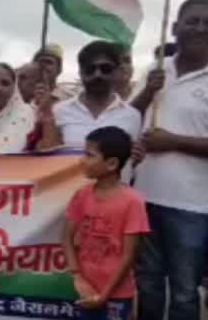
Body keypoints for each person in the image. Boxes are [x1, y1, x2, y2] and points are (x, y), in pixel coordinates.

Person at [130, 0, 208, 320]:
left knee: (183, 290)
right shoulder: (156, 69)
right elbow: (129, 117)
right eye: (192, 21)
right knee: (148, 283)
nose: (200, 28)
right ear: (175, 27)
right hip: (145, 198)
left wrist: (172, 142)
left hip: (193, 207)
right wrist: (148, 91)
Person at [62, 126, 150, 320]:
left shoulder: (133, 202)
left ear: (111, 164)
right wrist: (77, 277)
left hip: (117, 295)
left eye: (89, 155)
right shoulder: (82, 195)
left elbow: (129, 256)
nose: (82, 160)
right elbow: (67, 239)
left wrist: (104, 295)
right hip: (84, 291)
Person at [36, 41, 142, 153]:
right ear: (81, 73)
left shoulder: (132, 115)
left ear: (116, 72)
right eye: (90, 69)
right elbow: (49, 155)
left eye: (105, 69)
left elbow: (132, 159)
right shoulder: (58, 111)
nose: (98, 74)